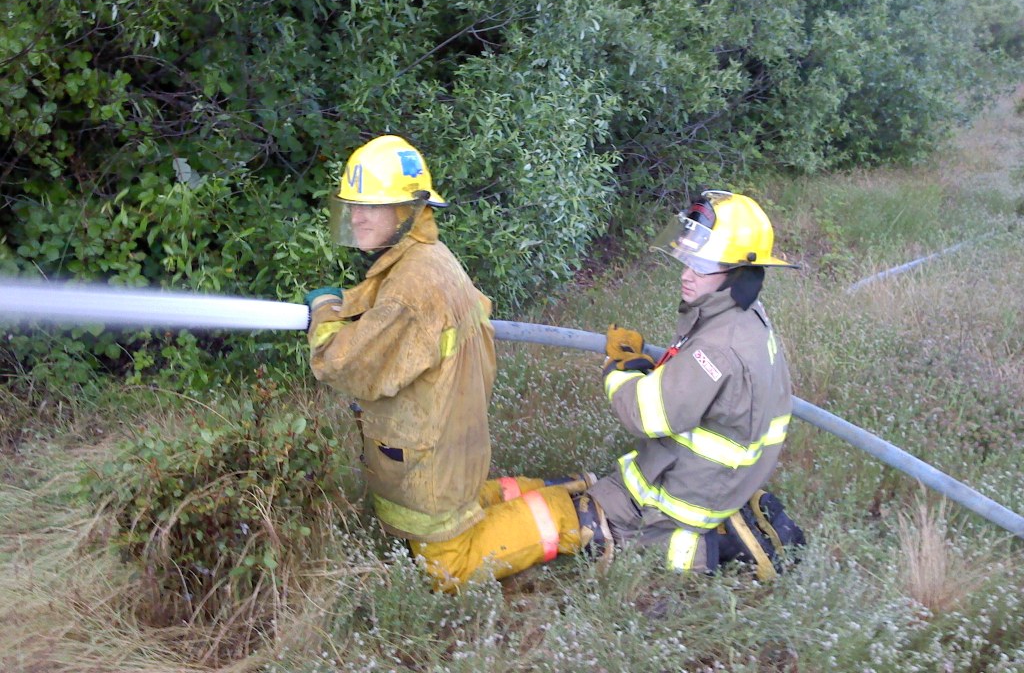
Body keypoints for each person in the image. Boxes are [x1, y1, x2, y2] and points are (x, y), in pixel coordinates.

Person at [304, 135, 595, 591]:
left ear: (408, 211)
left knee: (448, 569)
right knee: (460, 508)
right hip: (449, 442)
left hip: (431, 455)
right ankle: (548, 489)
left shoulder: (411, 286)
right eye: (353, 205)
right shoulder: (428, 258)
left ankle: (578, 515)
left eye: (373, 206)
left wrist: (323, 312)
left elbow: (340, 363)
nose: (357, 216)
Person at [578, 190, 799, 573]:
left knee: (593, 532)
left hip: (688, 495)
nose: (686, 273)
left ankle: (729, 549)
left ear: (738, 272)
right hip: (727, 480)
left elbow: (644, 415)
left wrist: (619, 369)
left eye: (702, 265)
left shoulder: (717, 348)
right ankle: (732, 527)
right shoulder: (746, 318)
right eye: (688, 260)